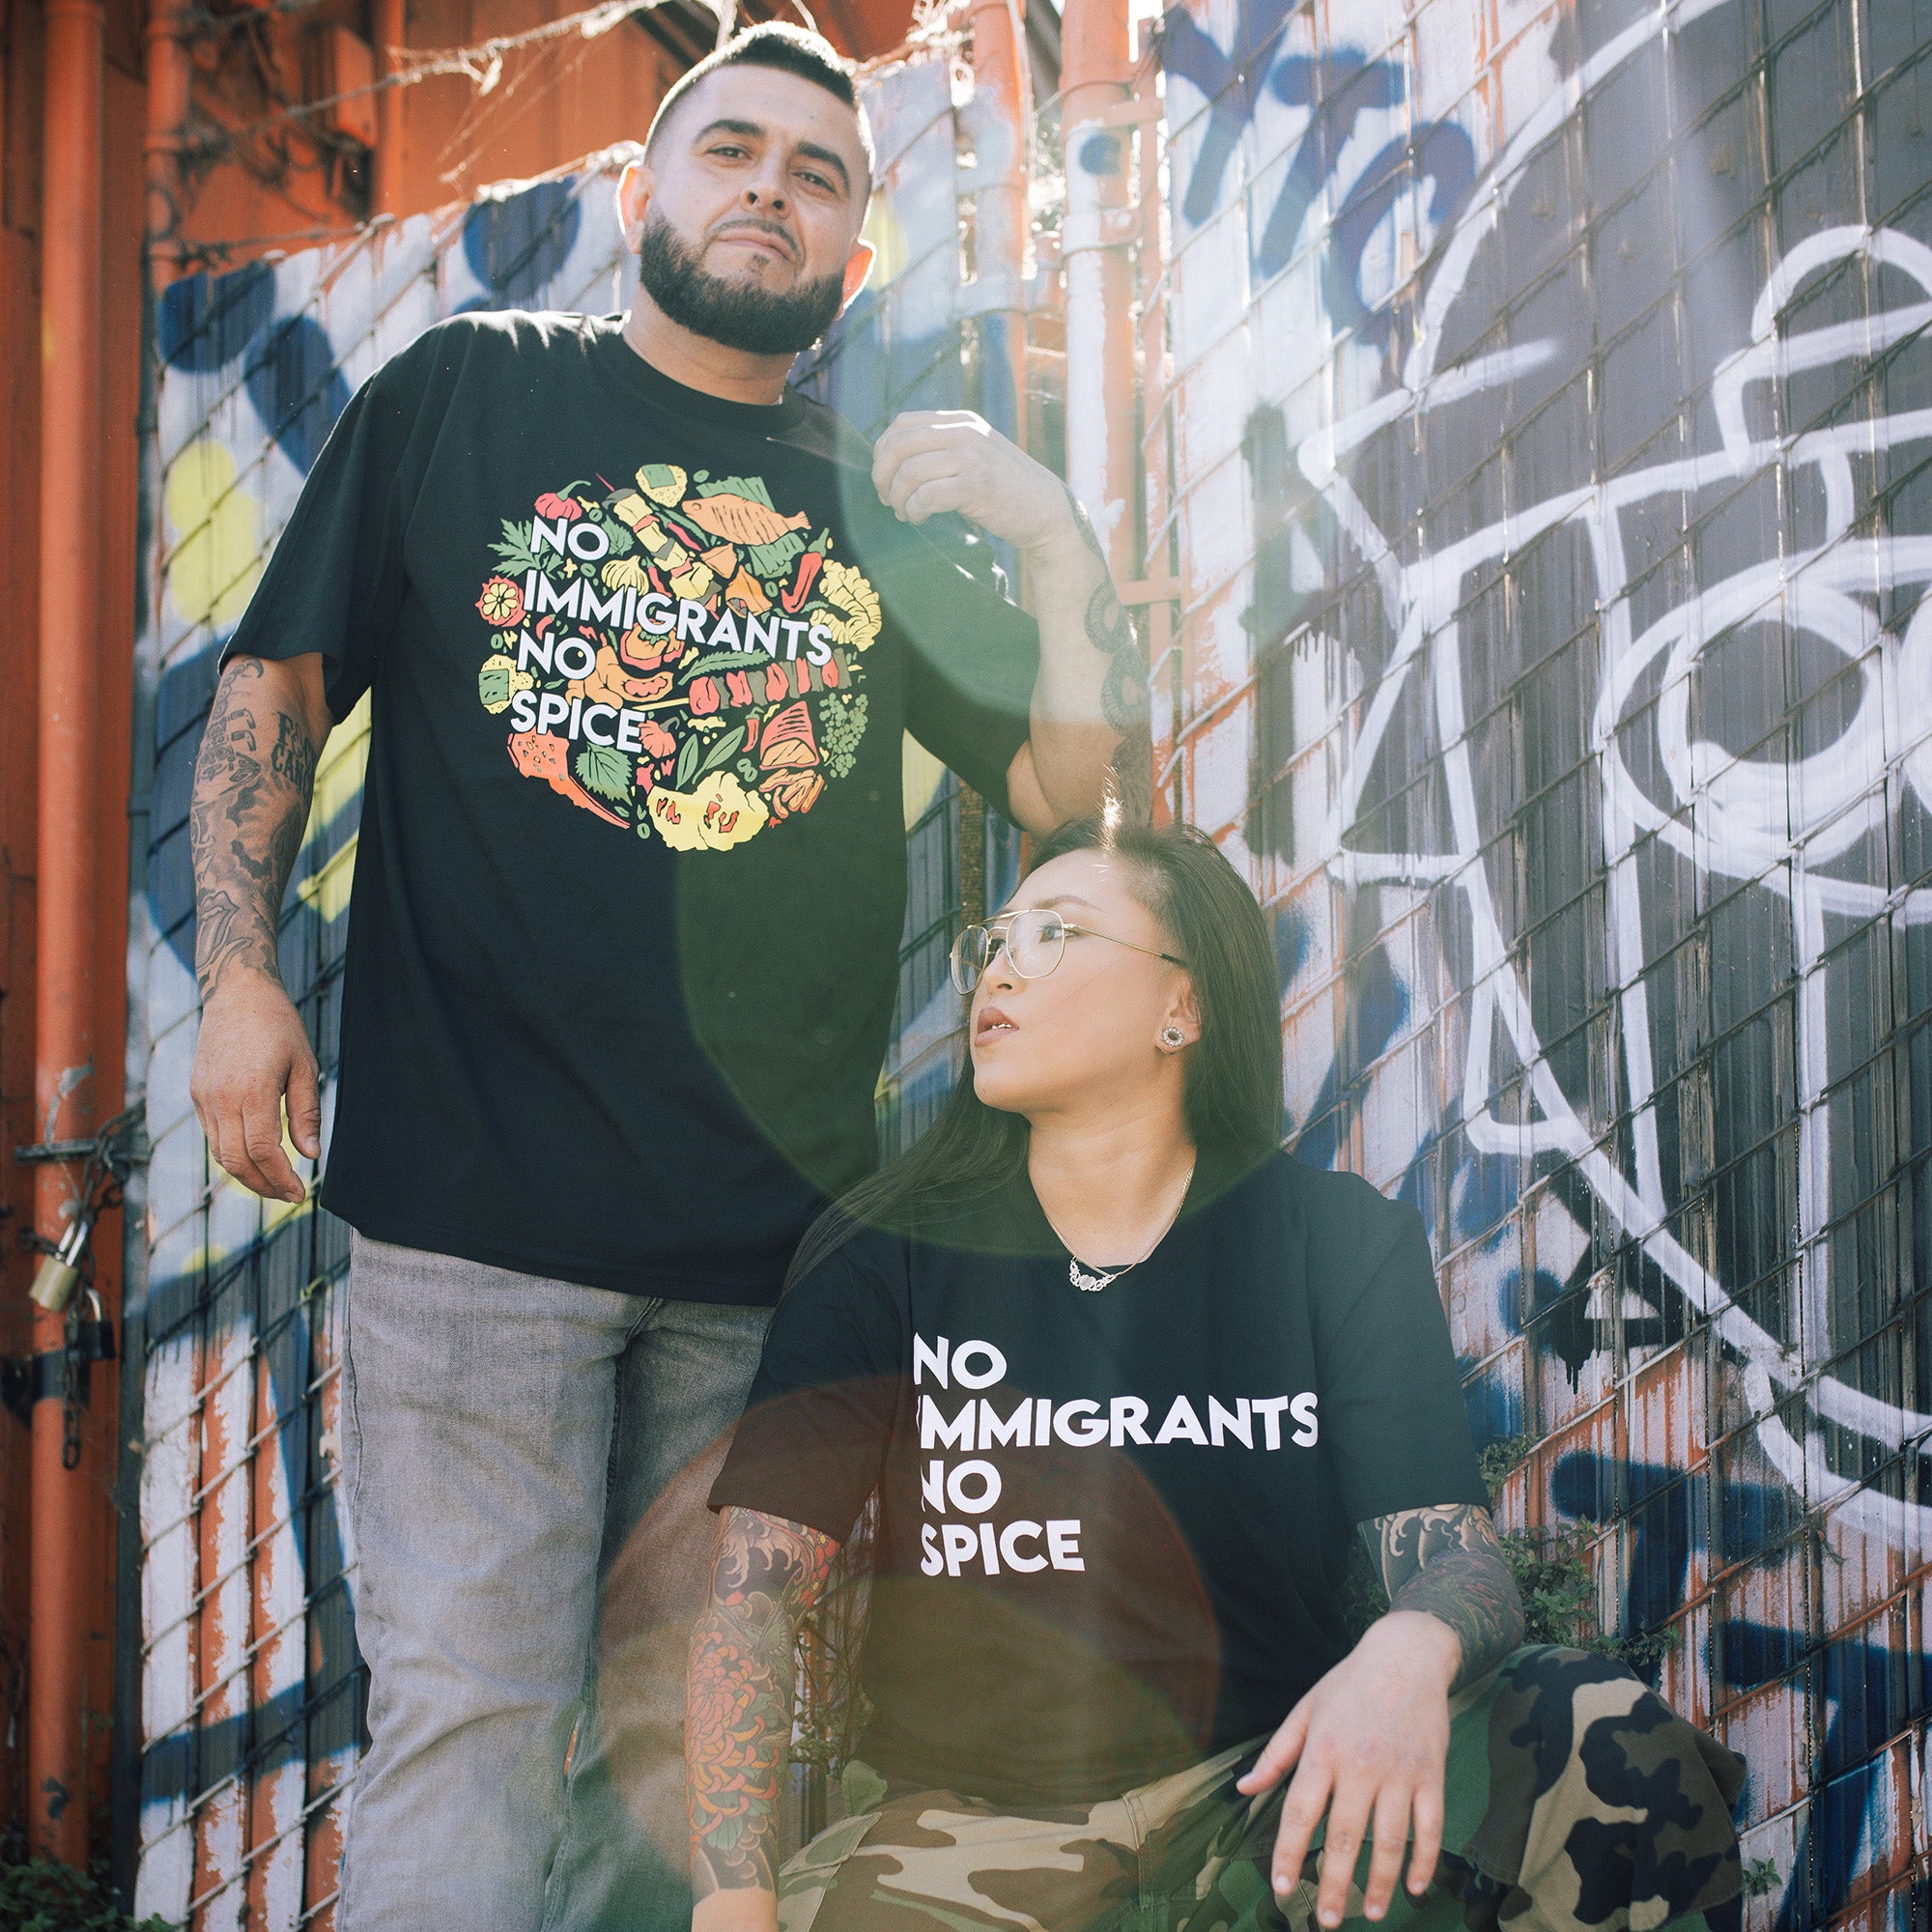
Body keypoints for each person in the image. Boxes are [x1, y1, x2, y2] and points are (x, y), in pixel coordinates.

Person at [185, 23, 1146, 1932]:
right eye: (731, 150)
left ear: (854, 253)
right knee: (469, 1717)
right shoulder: (464, 392)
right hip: (471, 1226)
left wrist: (1047, 536)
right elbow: (274, 690)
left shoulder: (871, 496)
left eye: (816, 172)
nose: (766, 190)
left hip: (760, 1250)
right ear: (642, 191)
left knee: (687, 1761)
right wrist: (236, 973)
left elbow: (1063, 789)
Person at [691, 815, 1747, 1932]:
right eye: (995, 938)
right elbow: (749, 1605)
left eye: (1055, 932)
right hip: (963, 1843)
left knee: (1597, 1730)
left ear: (1178, 1007)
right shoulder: (886, 1249)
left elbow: (1453, 1557)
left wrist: (1405, 1648)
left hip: (1267, 1808)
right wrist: (733, 1902)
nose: (998, 966)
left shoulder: (1328, 1242)